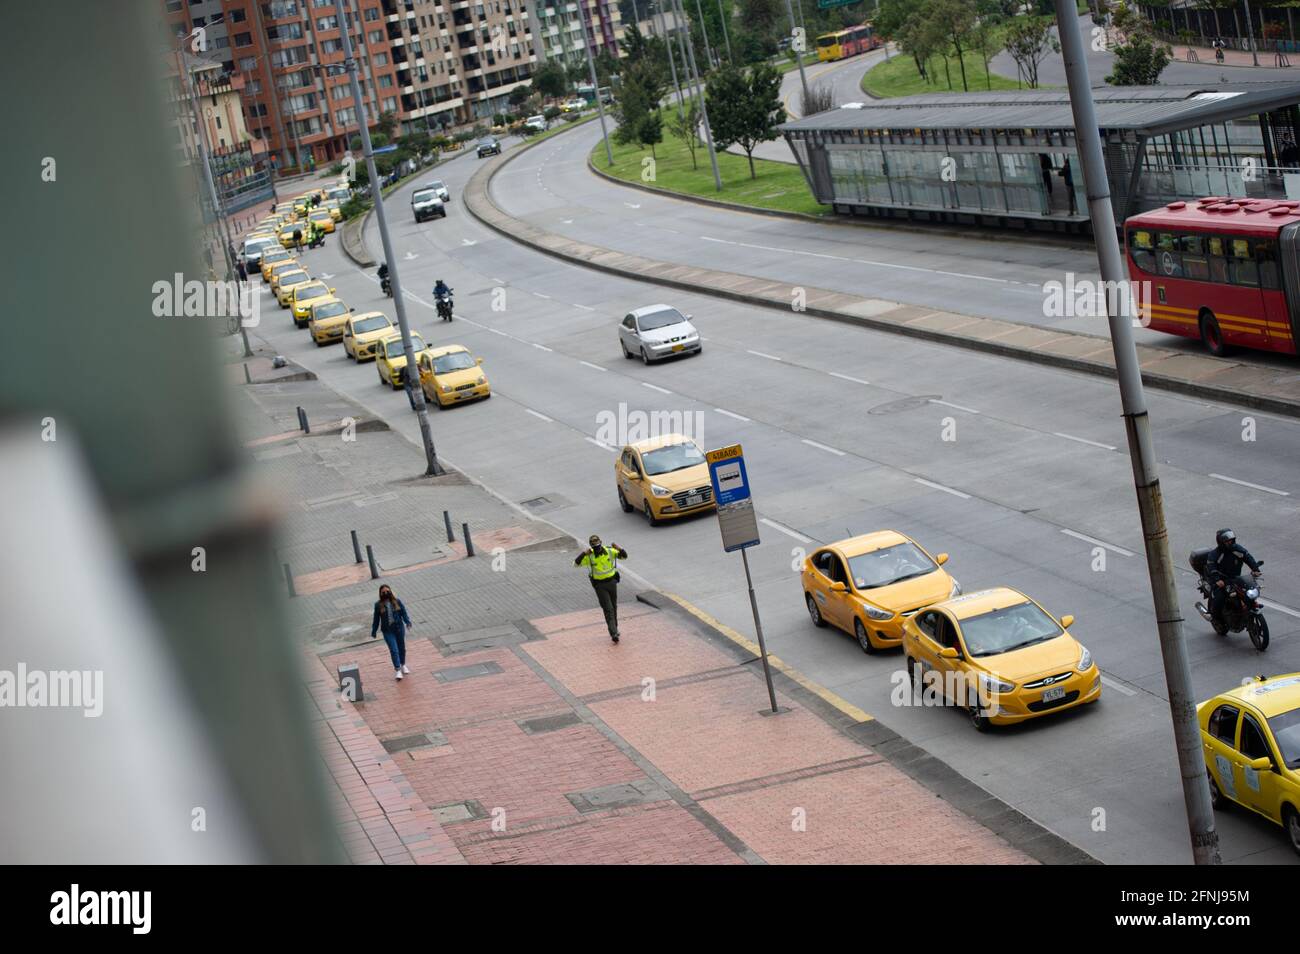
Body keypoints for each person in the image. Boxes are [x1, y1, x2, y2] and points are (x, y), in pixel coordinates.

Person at [575, 535, 628, 643]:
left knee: (613, 607)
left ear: (601, 543)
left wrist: (619, 548)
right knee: (608, 609)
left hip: (612, 583)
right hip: (600, 586)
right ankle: (613, 633)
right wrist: (584, 553)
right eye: (594, 546)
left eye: (598, 545)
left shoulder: (609, 551)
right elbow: (576, 564)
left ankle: (615, 629)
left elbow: (624, 557)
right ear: (591, 546)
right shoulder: (589, 556)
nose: (597, 548)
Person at [1205, 528, 1261, 622]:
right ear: (1221, 542)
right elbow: (1211, 566)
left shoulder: (1237, 549)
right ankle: (1215, 617)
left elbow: (1247, 557)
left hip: (1235, 578)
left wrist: (1255, 569)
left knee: (1247, 592)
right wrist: (1217, 579)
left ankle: (1246, 609)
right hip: (1221, 581)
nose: (1230, 543)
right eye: (1227, 541)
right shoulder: (1215, 554)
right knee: (1220, 597)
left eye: (1231, 540)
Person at [370, 584, 414, 680]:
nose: (386, 593)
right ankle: (398, 669)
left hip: (399, 628)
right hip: (388, 631)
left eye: (387, 591)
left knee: (402, 648)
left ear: (390, 591)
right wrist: (374, 631)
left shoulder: (396, 601)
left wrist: (407, 622)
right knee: (394, 650)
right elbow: (376, 619)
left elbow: (403, 613)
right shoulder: (378, 605)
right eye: (383, 592)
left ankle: (403, 664)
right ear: (380, 594)